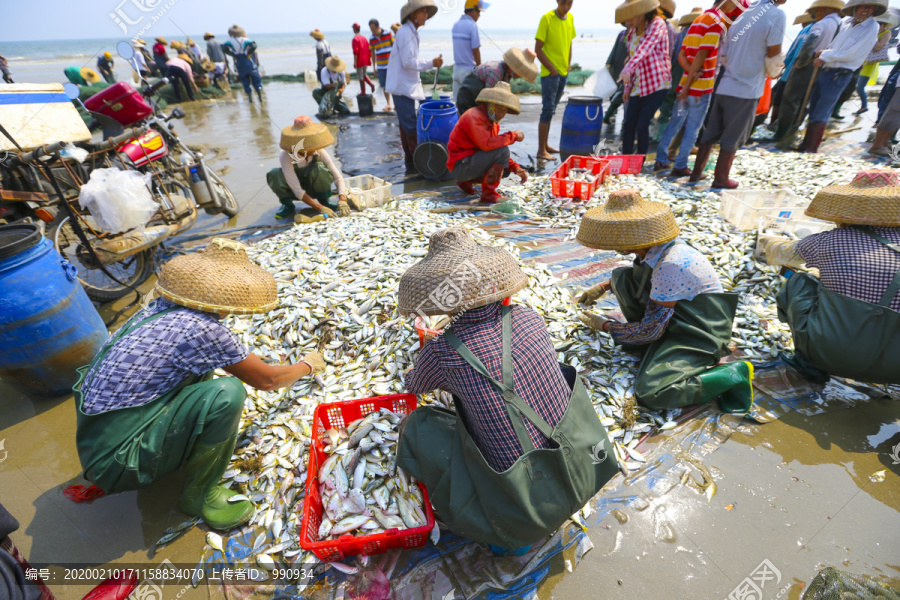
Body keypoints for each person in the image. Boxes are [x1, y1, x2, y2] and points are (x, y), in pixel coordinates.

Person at [73, 239, 326, 531]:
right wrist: (307, 366)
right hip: (119, 460)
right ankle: (200, 495)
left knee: (202, 372)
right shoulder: (203, 330)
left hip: (95, 442)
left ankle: (174, 451)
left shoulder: (155, 307)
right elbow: (268, 380)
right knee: (228, 392)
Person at [396, 227, 617, 555]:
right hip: (580, 466)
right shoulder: (529, 316)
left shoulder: (442, 351)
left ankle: (509, 521)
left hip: (523, 497)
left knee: (418, 424)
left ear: (442, 300)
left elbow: (413, 387)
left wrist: (425, 372)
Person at [576, 190, 754, 412]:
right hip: (677, 313)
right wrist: (602, 287)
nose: (614, 245)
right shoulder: (656, 248)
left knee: (652, 393)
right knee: (621, 277)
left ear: (632, 240)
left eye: (616, 239)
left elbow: (651, 330)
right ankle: (647, 342)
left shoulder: (671, 264)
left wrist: (604, 325)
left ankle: (732, 375)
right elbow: (638, 276)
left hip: (700, 329)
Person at [761, 170, 900, 384]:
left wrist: (769, 241)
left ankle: (809, 360)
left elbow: (776, 254)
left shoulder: (828, 241)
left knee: (800, 281)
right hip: (895, 368)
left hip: (830, 356)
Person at [689, 0, 785, 188]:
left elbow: (724, 54)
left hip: (725, 86)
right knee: (732, 137)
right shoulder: (776, 15)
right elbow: (774, 54)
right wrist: (776, 72)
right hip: (746, 90)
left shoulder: (743, 13)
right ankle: (721, 179)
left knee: (710, 133)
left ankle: (696, 174)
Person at [654, 0, 734, 175]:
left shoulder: (698, 21)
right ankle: (681, 165)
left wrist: (688, 76)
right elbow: (702, 54)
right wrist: (691, 81)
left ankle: (660, 160)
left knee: (674, 123)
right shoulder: (716, 22)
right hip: (701, 86)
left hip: (686, 83)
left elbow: (682, 54)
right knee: (692, 128)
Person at [799, 0, 883, 153]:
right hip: (826, 70)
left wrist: (824, 54)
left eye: (871, 7)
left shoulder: (872, 28)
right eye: (864, 6)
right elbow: (834, 46)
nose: (867, 10)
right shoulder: (845, 22)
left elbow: (851, 54)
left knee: (822, 111)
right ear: (856, 7)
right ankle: (804, 144)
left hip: (840, 74)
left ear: (875, 10)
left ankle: (811, 148)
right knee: (814, 106)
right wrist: (823, 56)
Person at [773, 0, 845, 144]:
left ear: (824, 9)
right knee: (807, 99)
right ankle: (795, 127)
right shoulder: (843, 25)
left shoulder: (821, 24)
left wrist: (800, 63)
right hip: (828, 64)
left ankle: (783, 133)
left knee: (791, 97)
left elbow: (808, 43)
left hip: (810, 62)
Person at [447, 82, 529, 203]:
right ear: (490, 105)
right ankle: (488, 194)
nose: (501, 114)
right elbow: (487, 145)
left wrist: (516, 168)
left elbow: (493, 149)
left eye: (504, 110)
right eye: (499, 109)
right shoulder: (474, 116)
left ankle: (465, 183)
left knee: (503, 159)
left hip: (466, 163)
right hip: (460, 165)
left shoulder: (493, 124)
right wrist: (514, 135)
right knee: (503, 151)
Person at [386, 0, 444, 168]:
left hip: (404, 85)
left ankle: (411, 160)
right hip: (402, 86)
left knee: (406, 124)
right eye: (422, 12)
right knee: (410, 124)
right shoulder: (406, 32)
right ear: (413, 15)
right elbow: (408, 62)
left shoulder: (409, 32)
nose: (425, 15)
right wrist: (431, 63)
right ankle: (417, 162)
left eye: (426, 12)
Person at [266, 116, 352, 221]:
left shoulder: (319, 151)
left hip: (314, 186)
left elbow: (337, 177)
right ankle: (288, 205)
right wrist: (321, 209)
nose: (313, 147)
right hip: (294, 190)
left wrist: (342, 199)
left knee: (320, 168)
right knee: (275, 174)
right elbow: (297, 190)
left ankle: (324, 200)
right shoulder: (286, 155)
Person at [616, 0, 672, 156]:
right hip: (637, 85)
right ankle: (626, 157)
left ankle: (640, 158)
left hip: (657, 83)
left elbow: (645, 48)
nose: (627, 22)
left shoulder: (657, 23)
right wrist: (627, 87)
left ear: (640, 13)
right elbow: (631, 58)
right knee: (628, 124)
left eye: (630, 17)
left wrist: (627, 69)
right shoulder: (631, 34)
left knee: (642, 125)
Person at [535, 0, 577, 161]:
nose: (566, 7)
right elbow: (538, 50)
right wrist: (552, 69)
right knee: (547, 110)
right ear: (558, 1)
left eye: (569, 3)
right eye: (563, 3)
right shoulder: (547, 18)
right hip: (550, 74)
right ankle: (540, 150)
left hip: (563, 73)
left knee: (552, 110)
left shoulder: (570, 18)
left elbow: (569, 44)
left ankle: (545, 145)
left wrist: (568, 66)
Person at [455, 47, 540, 115]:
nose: (520, 76)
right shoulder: (496, 71)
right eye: (520, 72)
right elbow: (489, 99)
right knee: (471, 126)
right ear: (514, 69)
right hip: (468, 97)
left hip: (479, 99)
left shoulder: (507, 75)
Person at [768, 12, 816, 128]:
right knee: (796, 101)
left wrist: (781, 66)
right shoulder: (818, 30)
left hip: (791, 72)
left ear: (805, 22)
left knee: (779, 98)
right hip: (804, 74)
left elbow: (791, 51)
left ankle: (774, 124)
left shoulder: (806, 31)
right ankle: (788, 125)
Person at [851, 12, 895, 115]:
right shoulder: (871, 31)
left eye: (880, 24)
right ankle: (863, 106)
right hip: (861, 61)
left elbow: (877, 47)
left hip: (870, 64)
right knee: (855, 85)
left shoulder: (887, 33)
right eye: (877, 23)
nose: (878, 26)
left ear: (885, 25)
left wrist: (873, 35)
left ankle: (864, 106)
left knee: (860, 87)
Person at [452, 0, 487, 103]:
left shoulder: (456, 25)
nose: (479, 15)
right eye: (479, 12)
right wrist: (480, 70)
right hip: (467, 71)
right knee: (470, 103)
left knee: (458, 103)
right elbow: (476, 50)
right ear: (473, 11)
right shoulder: (472, 26)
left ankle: (459, 119)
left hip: (456, 69)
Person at [223, 24, 263, 102]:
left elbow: (223, 48)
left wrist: (233, 54)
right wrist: (248, 53)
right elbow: (254, 45)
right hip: (248, 61)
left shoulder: (229, 41)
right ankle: (260, 97)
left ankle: (250, 99)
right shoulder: (245, 39)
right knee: (256, 80)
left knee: (245, 81)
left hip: (239, 62)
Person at [603, 24, 632, 125]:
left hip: (627, 66)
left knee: (624, 91)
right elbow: (615, 48)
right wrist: (609, 62)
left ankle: (623, 117)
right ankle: (610, 114)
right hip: (617, 64)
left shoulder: (636, 35)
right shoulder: (622, 34)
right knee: (618, 89)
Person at [369, 19, 395, 111]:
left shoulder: (388, 33)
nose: (372, 31)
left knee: (393, 85)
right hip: (380, 66)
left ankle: (396, 105)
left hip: (391, 65)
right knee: (384, 86)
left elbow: (395, 46)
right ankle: (388, 104)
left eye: (373, 29)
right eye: (370, 29)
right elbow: (372, 53)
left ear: (378, 27)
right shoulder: (372, 38)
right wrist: (374, 67)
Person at [350, 23, 376, 96]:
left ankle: (363, 91)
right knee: (364, 74)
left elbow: (356, 51)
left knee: (360, 76)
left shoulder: (355, 39)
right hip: (365, 59)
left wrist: (355, 62)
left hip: (359, 60)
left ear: (354, 29)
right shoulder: (364, 37)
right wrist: (369, 58)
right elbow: (369, 49)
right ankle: (371, 84)